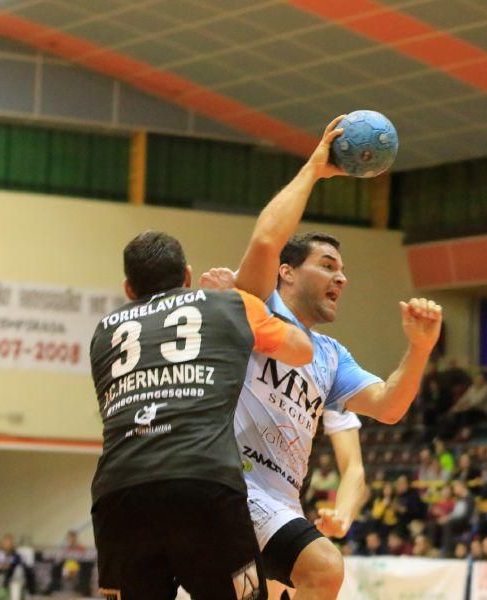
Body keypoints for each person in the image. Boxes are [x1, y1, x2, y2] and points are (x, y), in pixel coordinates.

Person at [200, 116, 443, 600]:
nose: (341, 279)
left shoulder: (332, 356)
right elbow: (268, 239)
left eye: (343, 271)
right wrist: (315, 167)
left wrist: (419, 349)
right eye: (327, 266)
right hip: (231, 484)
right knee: (324, 569)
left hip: (283, 501)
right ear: (286, 274)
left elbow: (390, 406)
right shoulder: (252, 306)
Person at [88, 230, 313, 600]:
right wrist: (236, 295)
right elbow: (301, 351)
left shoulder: (103, 332)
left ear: (129, 289)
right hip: (203, 482)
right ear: (187, 276)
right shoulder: (229, 305)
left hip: (119, 493)